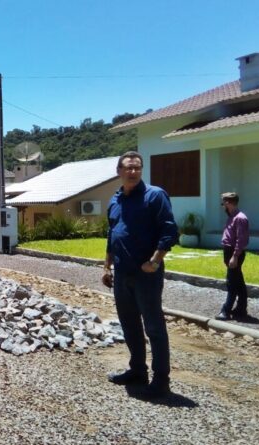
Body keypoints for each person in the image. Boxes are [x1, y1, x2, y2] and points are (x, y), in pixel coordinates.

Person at [102, 151, 178, 399]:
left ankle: (161, 380)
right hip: (122, 273)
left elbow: (169, 230)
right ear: (119, 171)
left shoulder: (154, 195)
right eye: (128, 168)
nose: (133, 172)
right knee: (129, 324)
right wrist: (106, 266)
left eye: (137, 168)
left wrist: (155, 261)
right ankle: (137, 370)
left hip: (146, 274)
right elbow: (112, 235)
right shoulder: (115, 200)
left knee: (154, 326)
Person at [216, 192, 250, 321]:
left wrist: (235, 256)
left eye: (223, 203)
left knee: (231, 282)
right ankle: (241, 308)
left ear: (228, 202)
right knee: (239, 282)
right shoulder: (231, 216)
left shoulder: (240, 218)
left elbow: (241, 240)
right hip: (229, 252)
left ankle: (226, 310)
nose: (222, 206)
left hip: (233, 253)